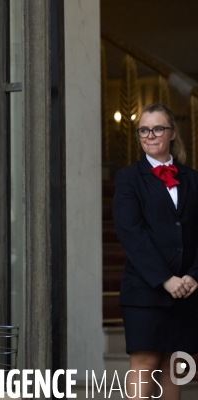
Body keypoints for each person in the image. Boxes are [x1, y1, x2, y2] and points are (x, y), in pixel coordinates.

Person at [113, 102, 198, 399]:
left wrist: (193, 275)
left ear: (172, 133)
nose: (150, 135)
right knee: (145, 361)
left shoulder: (192, 178)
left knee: (173, 365)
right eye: (143, 130)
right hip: (145, 290)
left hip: (186, 291)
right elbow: (131, 234)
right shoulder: (128, 178)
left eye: (157, 128)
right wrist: (166, 278)